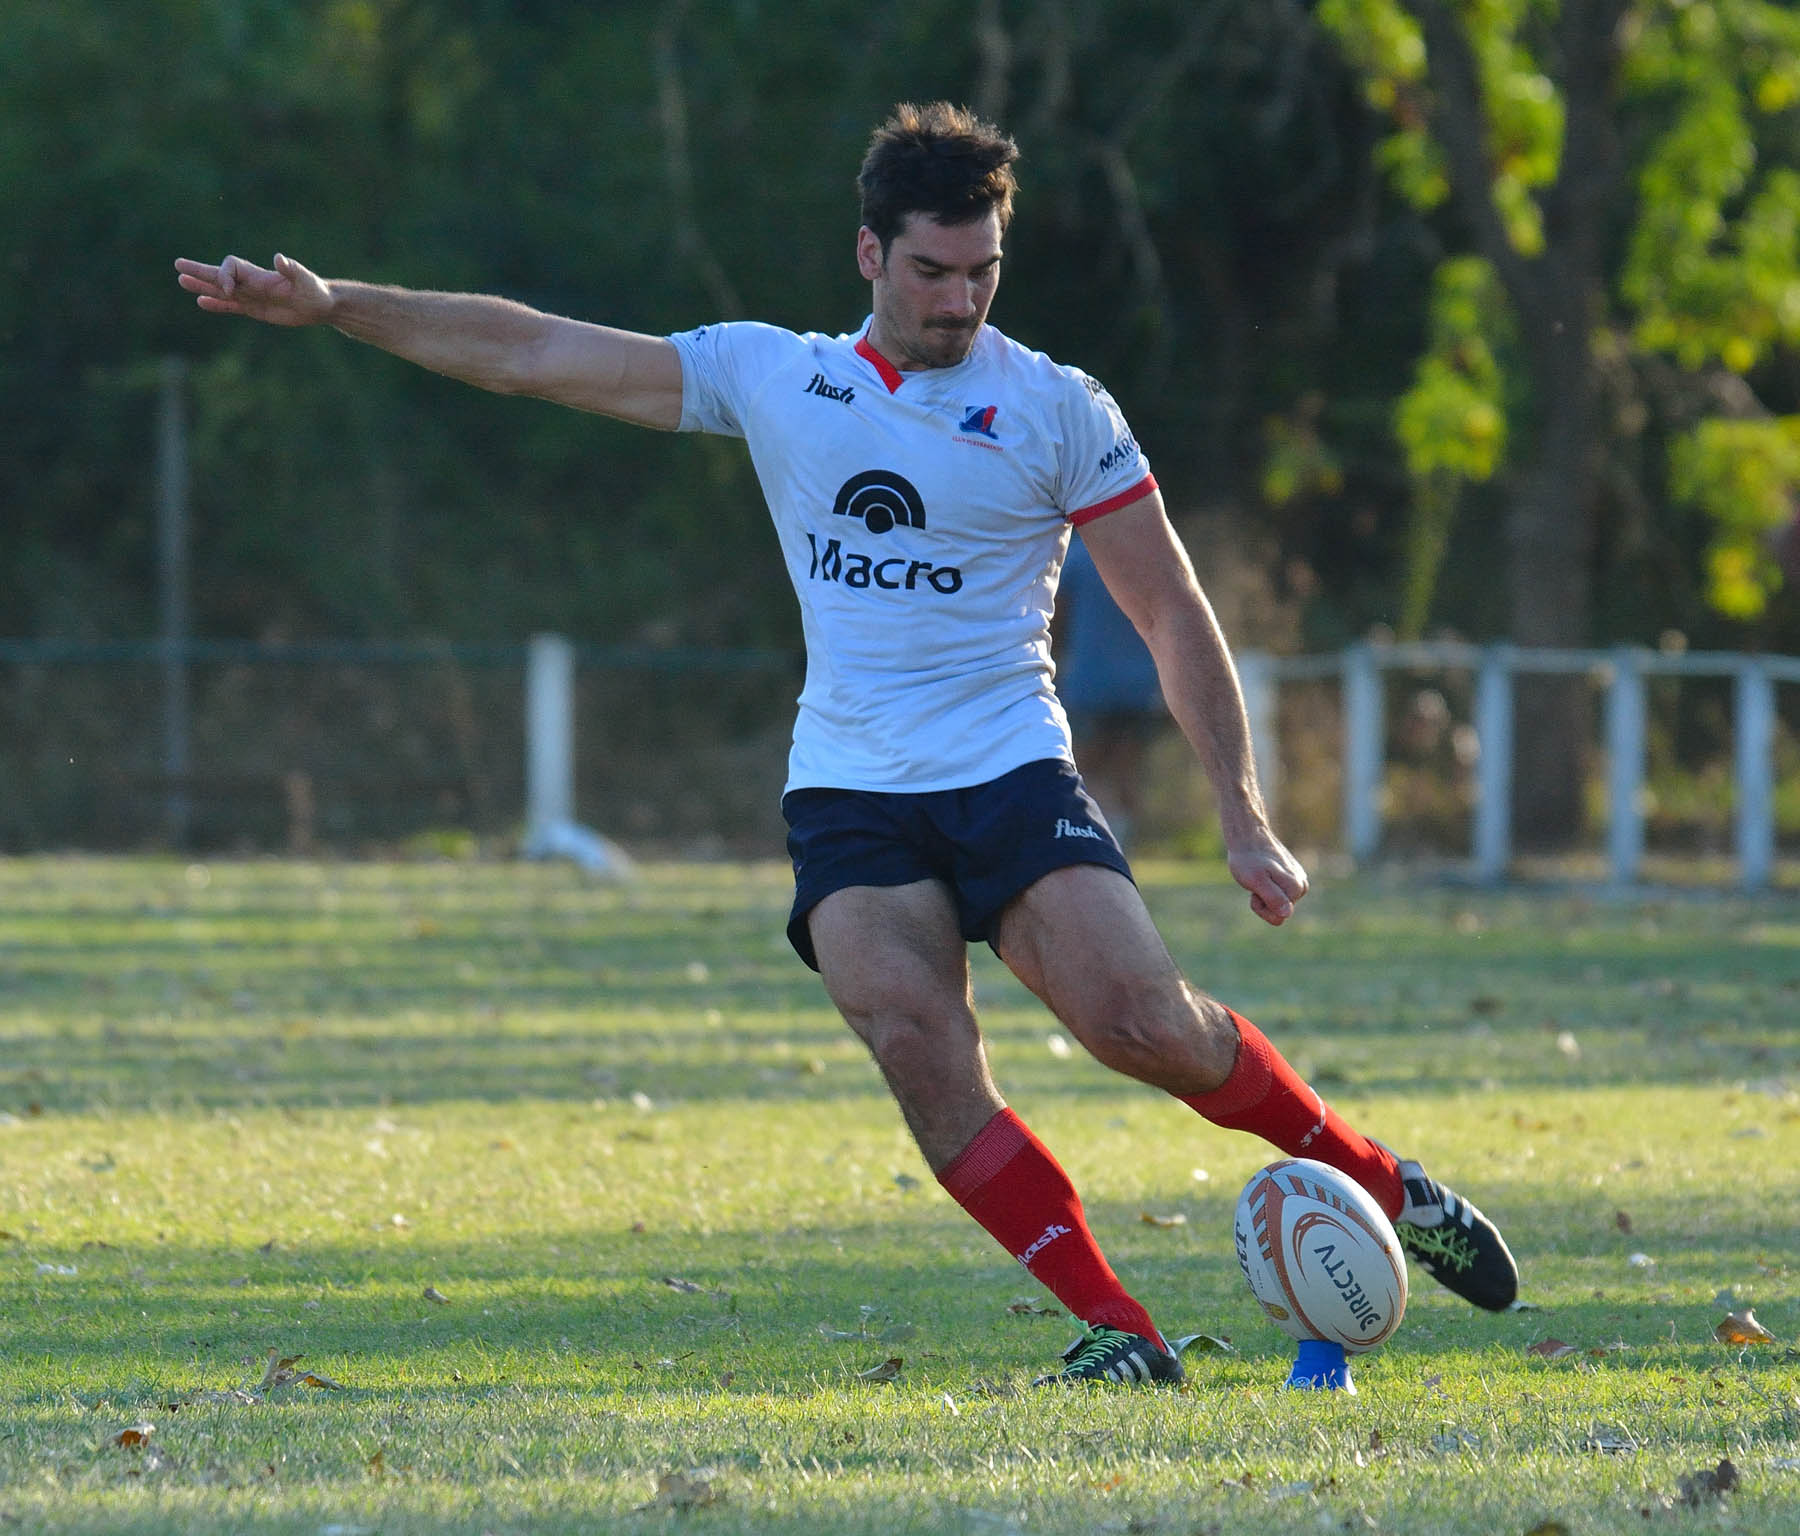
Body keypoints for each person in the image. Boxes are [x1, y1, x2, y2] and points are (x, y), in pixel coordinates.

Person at [176, 100, 1517, 1386]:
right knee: (919, 1047)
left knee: (1142, 1026)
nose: (959, 301)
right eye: (933, 271)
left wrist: (1240, 810)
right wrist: (340, 306)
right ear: (871, 254)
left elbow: (1169, 611)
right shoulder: (776, 375)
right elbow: (535, 350)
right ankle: (1119, 1328)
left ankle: (1388, 1182)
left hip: (1008, 769)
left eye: (983, 272)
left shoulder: (1058, 407)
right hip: (850, 791)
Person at [1052, 535, 1165, 847]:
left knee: (1085, 769)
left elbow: (1056, 619)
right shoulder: (1146, 553)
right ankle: (1124, 844)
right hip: (1141, 684)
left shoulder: (1075, 557)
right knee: (1128, 769)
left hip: (1090, 683)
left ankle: (1096, 843)